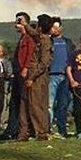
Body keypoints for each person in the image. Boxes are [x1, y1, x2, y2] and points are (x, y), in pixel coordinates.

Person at [17, 14, 53, 142]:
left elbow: (43, 63)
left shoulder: (45, 41)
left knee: (36, 104)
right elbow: (33, 33)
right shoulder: (40, 37)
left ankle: (41, 132)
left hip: (37, 76)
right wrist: (25, 24)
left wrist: (31, 77)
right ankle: (24, 132)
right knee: (25, 103)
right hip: (33, 74)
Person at [3, 12, 34, 140]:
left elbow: (30, 53)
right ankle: (12, 129)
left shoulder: (28, 38)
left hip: (22, 72)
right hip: (17, 72)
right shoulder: (22, 38)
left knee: (21, 101)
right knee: (15, 102)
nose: (17, 24)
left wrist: (25, 68)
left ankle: (21, 129)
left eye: (19, 21)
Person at [48, 17, 75, 137]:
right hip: (51, 76)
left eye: (56, 27)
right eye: (52, 27)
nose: (54, 29)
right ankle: (47, 129)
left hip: (65, 77)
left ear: (61, 28)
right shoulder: (48, 42)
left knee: (63, 104)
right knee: (49, 104)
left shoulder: (68, 42)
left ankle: (62, 130)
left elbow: (73, 58)